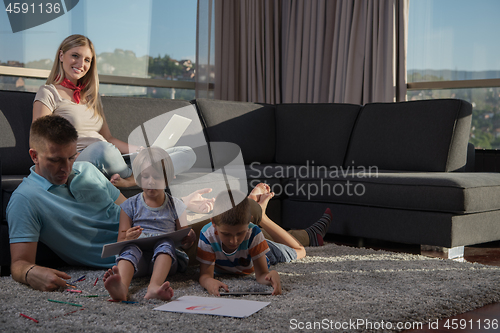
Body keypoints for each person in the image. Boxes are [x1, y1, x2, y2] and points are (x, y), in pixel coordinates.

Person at [6, 115, 208, 292]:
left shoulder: (86, 169)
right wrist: (30, 272)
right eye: (56, 160)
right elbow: (19, 263)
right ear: (34, 156)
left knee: (223, 223)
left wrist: (179, 207)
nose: (66, 168)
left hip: (153, 232)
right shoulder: (25, 199)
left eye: (71, 157)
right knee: (219, 237)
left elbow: (133, 208)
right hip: (129, 256)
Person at [31, 34, 196, 189]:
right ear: (61, 56)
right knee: (102, 149)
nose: (81, 64)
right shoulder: (48, 92)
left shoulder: (92, 98)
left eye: (87, 60)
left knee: (187, 152)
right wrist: (69, 155)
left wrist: (141, 150)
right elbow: (39, 140)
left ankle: (135, 176)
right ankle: (146, 175)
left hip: (112, 157)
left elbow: (109, 138)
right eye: (75, 56)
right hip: (80, 159)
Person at [196, 189, 332, 296]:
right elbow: (205, 275)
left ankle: (263, 216)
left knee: (300, 251)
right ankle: (311, 234)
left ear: (249, 222)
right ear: (213, 222)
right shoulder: (207, 235)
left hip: (264, 253)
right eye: (226, 234)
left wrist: (270, 276)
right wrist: (209, 282)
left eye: (240, 233)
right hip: (249, 247)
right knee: (260, 236)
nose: (233, 241)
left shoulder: (253, 233)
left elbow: (261, 275)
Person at [103, 147, 196, 301]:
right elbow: (120, 241)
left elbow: (183, 242)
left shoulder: (177, 206)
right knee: (130, 247)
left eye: (157, 177)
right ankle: (122, 288)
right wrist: (128, 236)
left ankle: (154, 286)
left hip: (165, 263)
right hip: (137, 263)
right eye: (145, 176)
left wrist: (190, 238)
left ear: (169, 179)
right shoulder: (129, 205)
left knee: (166, 242)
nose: (151, 181)